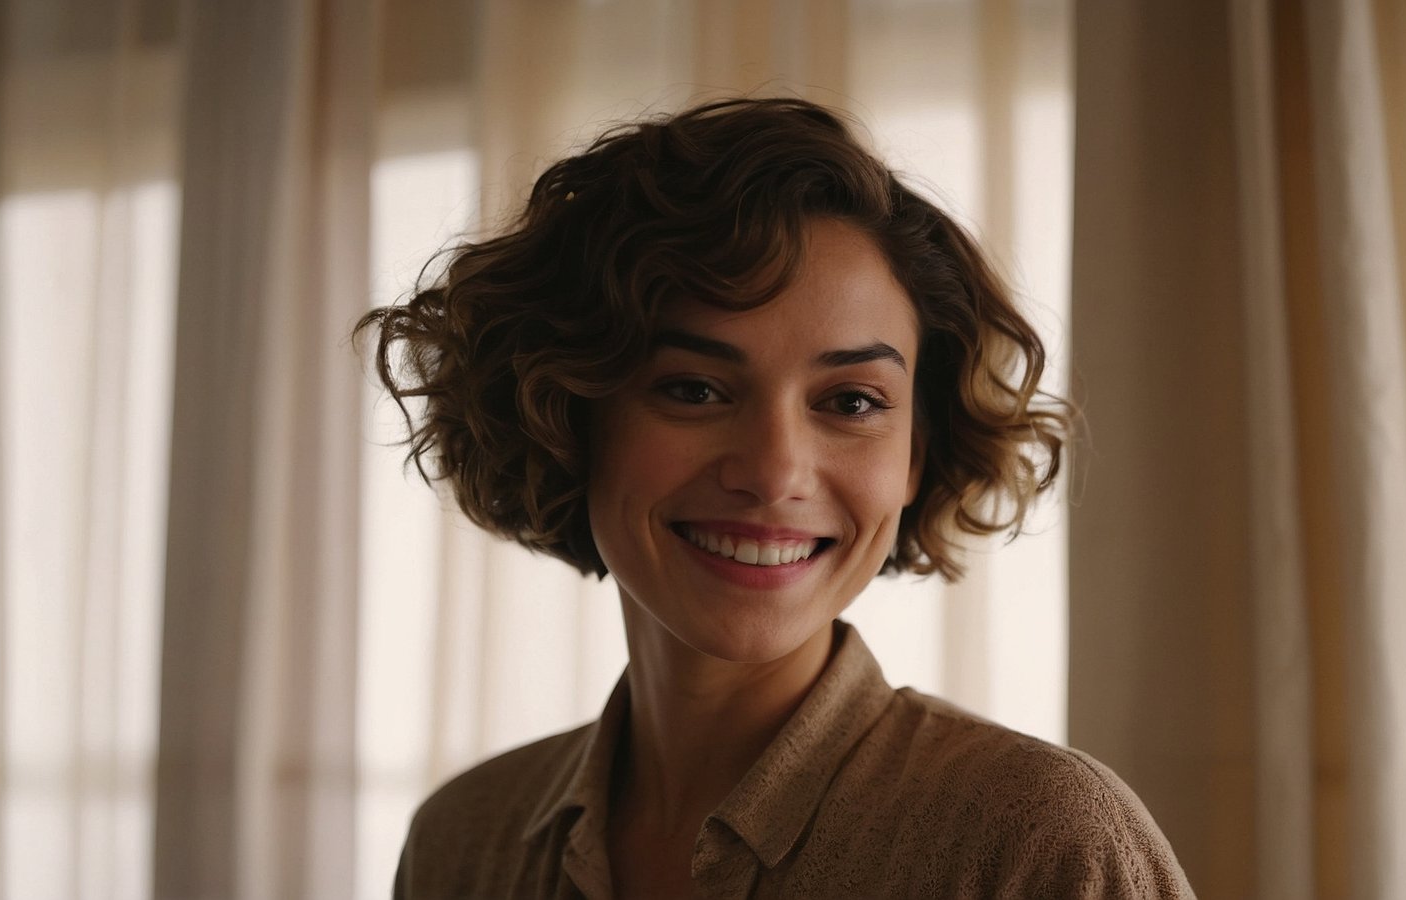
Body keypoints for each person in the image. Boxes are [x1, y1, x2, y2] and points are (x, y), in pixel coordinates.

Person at [361, 97, 1194, 899]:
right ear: (566, 419)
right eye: (693, 389)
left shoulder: (1041, 844)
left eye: (852, 402)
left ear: (917, 457)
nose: (774, 471)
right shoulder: (462, 840)